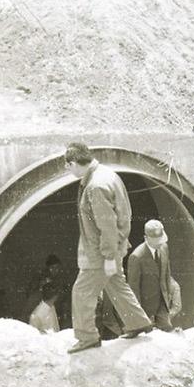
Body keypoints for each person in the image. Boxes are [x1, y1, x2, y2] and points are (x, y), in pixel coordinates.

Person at [64, 142, 153, 354]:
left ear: (75, 163)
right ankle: (137, 322)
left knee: (82, 291)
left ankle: (87, 336)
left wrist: (109, 257)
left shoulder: (95, 186)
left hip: (101, 253)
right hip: (115, 246)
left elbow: (107, 226)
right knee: (115, 283)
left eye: (68, 166)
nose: (68, 170)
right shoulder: (107, 174)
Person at [127, 219, 175, 332]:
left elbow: (167, 273)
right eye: (156, 240)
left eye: (161, 239)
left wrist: (168, 295)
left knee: (167, 330)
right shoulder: (136, 257)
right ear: (146, 238)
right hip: (146, 307)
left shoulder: (164, 248)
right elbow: (133, 289)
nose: (160, 243)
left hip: (162, 303)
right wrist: (139, 315)